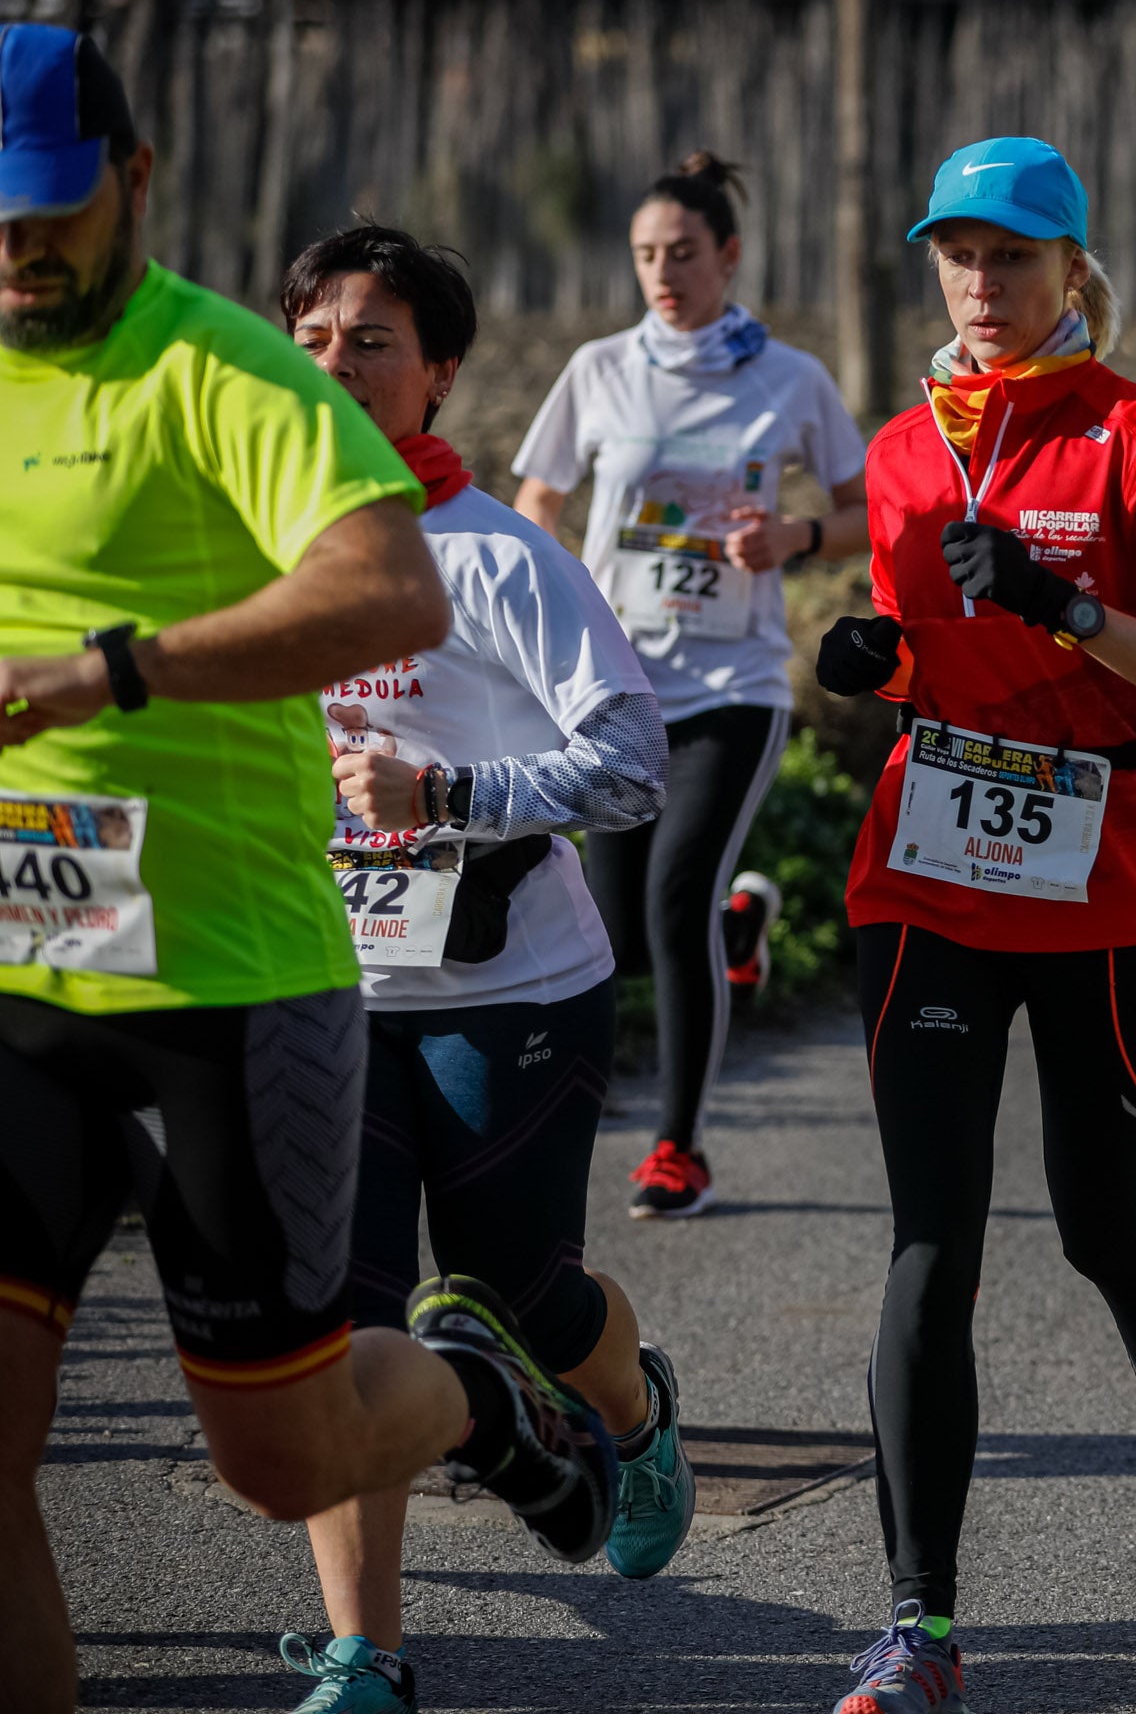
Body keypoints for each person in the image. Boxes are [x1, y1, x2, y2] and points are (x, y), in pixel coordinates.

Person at [0, 23, 608, 1714]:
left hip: (230, 981)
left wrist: (110, 671)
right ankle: (372, 1635)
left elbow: (392, 596)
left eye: (44, 215)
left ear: (130, 186)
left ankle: (484, 1399)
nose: (16, 256)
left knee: (283, 1456)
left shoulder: (229, 376)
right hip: (17, 979)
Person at [810, 136, 1136, 1698]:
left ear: (1074, 270)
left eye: (1013, 256)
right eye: (958, 254)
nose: (981, 284)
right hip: (930, 870)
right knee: (931, 1247)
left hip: (1116, 880)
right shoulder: (901, 449)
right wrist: (885, 665)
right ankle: (920, 1625)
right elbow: (934, 654)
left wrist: (1064, 603)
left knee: (1097, 1223)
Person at [279, 227, 694, 1711]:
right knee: (346, 1327)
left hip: (511, 984)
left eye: (372, 339)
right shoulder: (259, 544)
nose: (335, 363)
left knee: (519, 1283)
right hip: (319, 987)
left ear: (441, 373)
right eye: (314, 336)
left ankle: (631, 1418)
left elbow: (634, 765)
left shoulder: (499, 557)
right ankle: (362, 1653)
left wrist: (447, 800)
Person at [512, 154, 869, 1219]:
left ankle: (679, 1146)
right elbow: (535, 499)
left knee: (673, 901)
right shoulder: (600, 369)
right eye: (645, 256)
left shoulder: (790, 378)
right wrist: (543, 608)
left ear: (730, 256)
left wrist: (796, 534)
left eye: (682, 254)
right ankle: (741, 929)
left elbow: (866, 510)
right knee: (614, 931)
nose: (663, 273)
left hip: (736, 681)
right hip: (618, 685)